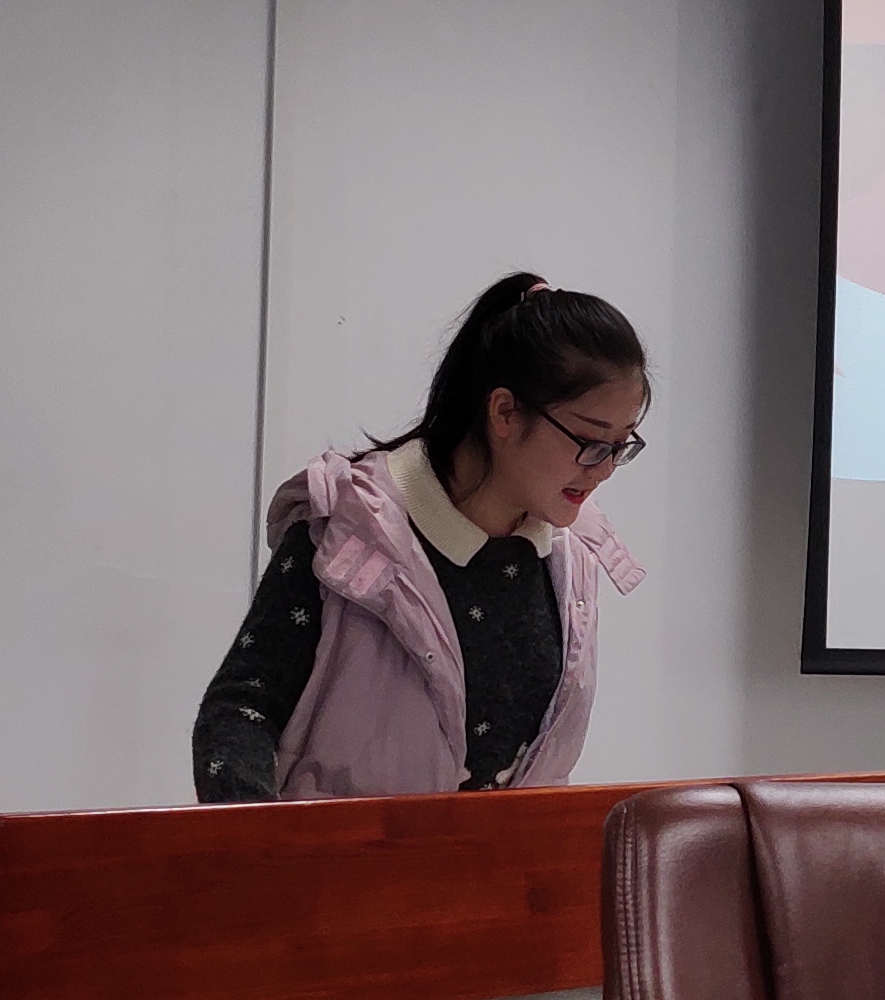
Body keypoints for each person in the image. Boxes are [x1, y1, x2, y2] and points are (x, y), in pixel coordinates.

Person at [191, 275, 648, 801]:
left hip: (508, 857)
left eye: (621, 446)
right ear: (503, 412)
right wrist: (266, 844)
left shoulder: (573, 558)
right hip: (341, 854)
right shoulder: (348, 529)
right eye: (591, 441)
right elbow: (241, 710)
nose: (604, 469)